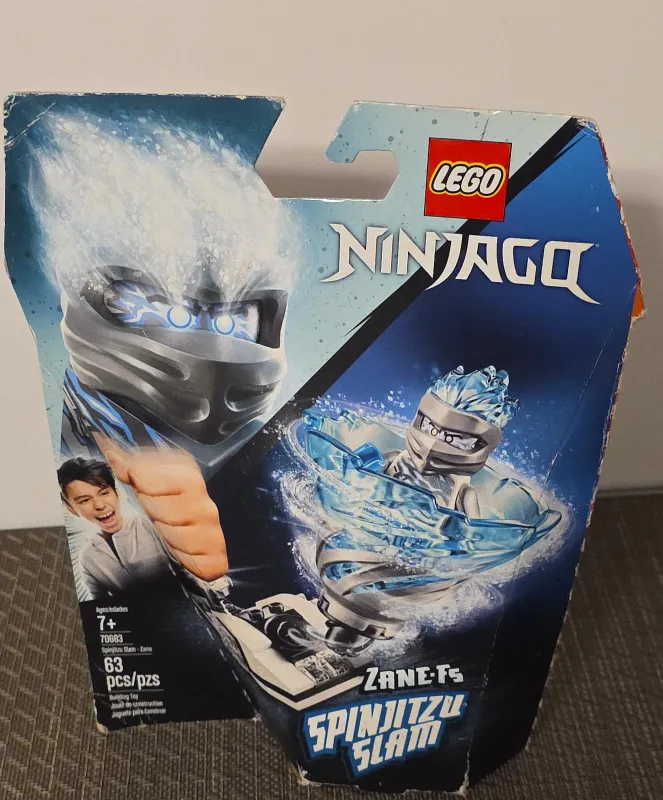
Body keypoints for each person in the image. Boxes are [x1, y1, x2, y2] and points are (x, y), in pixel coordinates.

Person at [58, 438, 229, 599]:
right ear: (72, 510)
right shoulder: (87, 558)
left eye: (104, 493)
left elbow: (194, 572)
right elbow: (99, 606)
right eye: (85, 500)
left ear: (116, 493)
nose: (99, 505)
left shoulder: (151, 525)